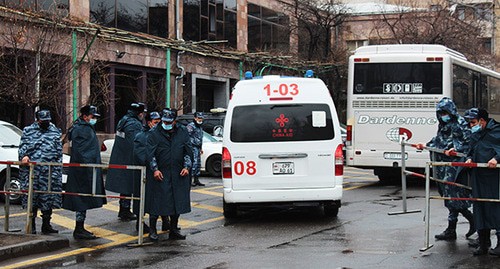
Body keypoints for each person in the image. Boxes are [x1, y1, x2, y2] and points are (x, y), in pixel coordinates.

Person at [415, 97, 474, 241]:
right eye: (440, 113)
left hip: (455, 167)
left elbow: (469, 142)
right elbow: (438, 140)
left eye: (445, 112)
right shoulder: (443, 125)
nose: (443, 115)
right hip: (443, 165)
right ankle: (454, 228)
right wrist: (425, 144)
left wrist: (455, 149)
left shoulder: (460, 124)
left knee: (454, 196)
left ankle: (466, 223)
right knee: (448, 197)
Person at [145, 108, 193, 241]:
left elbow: (188, 151)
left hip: (178, 173)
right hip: (161, 173)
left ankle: (173, 229)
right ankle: (153, 230)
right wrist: (155, 169)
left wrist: (187, 166)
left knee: (177, 202)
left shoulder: (182, 131)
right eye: (164, 121)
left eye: (169, 122)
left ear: (174, 121)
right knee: (156, 202)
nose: (166, 124)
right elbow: (150, 154)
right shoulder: (154, 133)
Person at [63, 105, 107, 240]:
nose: (94, 119)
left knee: (83, 198)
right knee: (81, 198)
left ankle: (80, 227)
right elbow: (83, 151)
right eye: (92, 117)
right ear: (85, 116)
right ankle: (79, 228)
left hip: (85, 169)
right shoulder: (81, 129)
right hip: (83, 170)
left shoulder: (84, 128)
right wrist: (90, 166)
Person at [18, 110, 63, 235]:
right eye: (43, 121)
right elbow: (22, 148)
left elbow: (58, 152)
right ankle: (31, 225)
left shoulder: (55, 131)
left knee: (48, 198)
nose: (45, 123)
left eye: (47, 120)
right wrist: (24, 156)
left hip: (49, 172)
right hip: (33, 173)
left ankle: (46, 225)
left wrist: (57, 169)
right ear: (37, 120)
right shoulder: (28, 130)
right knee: (32, 199)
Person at [463, 108, 500, 256]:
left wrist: (497, 159)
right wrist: (469, 157)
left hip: (494, 177)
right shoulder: (475, 134)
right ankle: (484, 243)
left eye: (473, 122)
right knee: (479, 207)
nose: (471, 126)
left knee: (495, 208)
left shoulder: (497, 131)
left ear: (482, 121)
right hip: (478, 176)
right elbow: (471, 149)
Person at [106, 102, 146, 221]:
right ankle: (125, 210)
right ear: (139, 113)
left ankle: (124, 209)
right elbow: (136, 143)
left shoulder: (123, 120)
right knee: (129, 185)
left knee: (125, 185)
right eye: (142, 113)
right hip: (129, 158)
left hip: (121, 157)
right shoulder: (134, 124)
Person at [132, 111, 162, 233]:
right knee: (142, 200)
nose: (158, 125)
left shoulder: (161, 135)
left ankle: (164, 221)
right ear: (149, 123)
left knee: (157, 199)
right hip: (144, 174)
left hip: (157, 173)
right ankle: (140, 222)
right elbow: (141, 156)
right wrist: (154, 162)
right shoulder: (141, 136)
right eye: (156, 122)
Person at [187, 112, 205, 187]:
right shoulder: (191, 126)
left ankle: (196, 180)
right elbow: (187, 137)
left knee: (198, 164)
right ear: (195, 118)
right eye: (199, 118)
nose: (200, 119)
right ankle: (189, 180)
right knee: (193, 164)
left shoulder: (199, 127)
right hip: (192, 147)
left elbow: (200, 138)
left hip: (197, 148)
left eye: (201, 118)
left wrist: (200, 148)